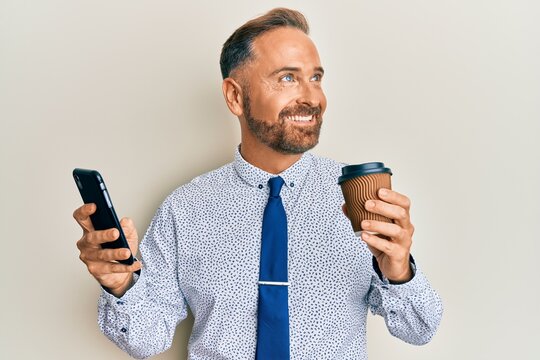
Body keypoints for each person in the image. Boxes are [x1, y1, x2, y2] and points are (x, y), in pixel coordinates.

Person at [73, 8, 442, 360]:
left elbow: (419, 328)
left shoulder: (361, 197)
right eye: (287, 78)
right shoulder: (184, 210)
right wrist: (119, 285)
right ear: (235, 96)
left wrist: (399, 270)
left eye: (315, 77)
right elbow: (146, 339)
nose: (312, 97)